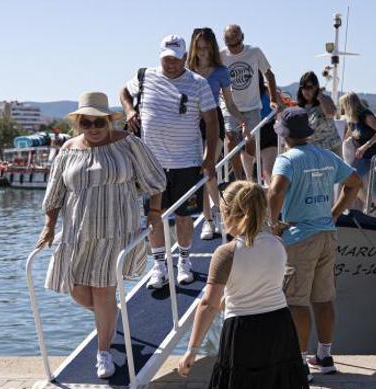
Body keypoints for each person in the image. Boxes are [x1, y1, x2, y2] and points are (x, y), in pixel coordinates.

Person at [178, 181, 312, 389]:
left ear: (228, 213)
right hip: (278, 328)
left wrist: (192, 350)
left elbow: (209, 304)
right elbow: (264, 285)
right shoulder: (278, 245)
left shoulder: (225, 254)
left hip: (242, 334)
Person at [38, 92, 166, 379]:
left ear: (109, 121)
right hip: (77, 232)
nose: (93, 129)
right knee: (77, 290)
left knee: (104, 288)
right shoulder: (69, 150)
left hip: (116, 230)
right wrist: (48, 226)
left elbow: (155, 178)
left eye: (99, 122)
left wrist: (154, 212)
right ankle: (109, 316)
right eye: (87, 123)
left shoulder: (128, 144)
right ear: (79, 124)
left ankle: (104, 352)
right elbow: (54, 193)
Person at [267, 108, 362, 378]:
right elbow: (355, 182)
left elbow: (275, 192)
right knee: (323, 299)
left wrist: (272, 227)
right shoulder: (326, 156)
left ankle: (298, 362)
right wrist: (334, 213)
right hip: (327, 233)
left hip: (299, 236)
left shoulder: (287, 160)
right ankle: (324, 355)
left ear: (284, 135)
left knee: (296, 301)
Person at [120, 34, 219, 288]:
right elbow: (123, 92)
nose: (170, 64)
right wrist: (130, 110)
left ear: (185, 58)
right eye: (166, 59)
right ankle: (159, 266)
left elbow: (211, 121)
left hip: (187, 162)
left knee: (184, 216)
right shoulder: (146, 76)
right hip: (151, 164)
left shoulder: (198, 83)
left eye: (175, 59)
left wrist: (209, 158)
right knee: (154, 215)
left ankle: (184, 261)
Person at [188, 27, 248, 240]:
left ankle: (216, 214)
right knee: (201, 175)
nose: (202, 52)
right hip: (192, 125)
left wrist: (243, 122)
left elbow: (229, 104)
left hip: (214, 123)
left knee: (208, 170)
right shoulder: (187, 71)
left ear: (212, 48)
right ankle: (210, 218)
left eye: (206, 48)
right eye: (198, 48)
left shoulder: (221, 72)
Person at [221, 24, 281, 181]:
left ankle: (251, 173)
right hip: (230, 106)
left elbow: (269, 74)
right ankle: (240, 179)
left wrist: (273, 99)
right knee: (230, 137)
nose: (233, 48)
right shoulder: (221, 56)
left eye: (236, 44)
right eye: (230, 45)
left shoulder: (254, 52)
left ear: (243, 38)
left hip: (252, 106)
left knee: (250, 140)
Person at [339, 92, 376, 218]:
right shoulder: (351, 121)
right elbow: (347, 137)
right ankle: (370, 204)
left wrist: (365, 146)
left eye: (342, 106)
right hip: (365, 157)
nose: (341, 109)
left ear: (348, 105)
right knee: (349, 179)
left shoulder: (366, 115)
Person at [297, 71, 342, 156]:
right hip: (312, 151)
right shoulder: (300, 107)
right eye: (303, 87)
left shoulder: (326, 99)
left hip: (331, 150)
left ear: (316, 87)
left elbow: (330, 113)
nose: (306, 90)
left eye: (309, 87)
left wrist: (320, 96)